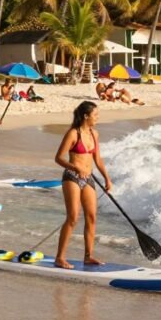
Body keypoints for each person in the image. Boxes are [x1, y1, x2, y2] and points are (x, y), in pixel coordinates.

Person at [54, 101, 112, 269]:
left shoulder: (95, 134)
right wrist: (75, 167)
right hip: (72, 176)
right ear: (86, 116)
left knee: (92, 217)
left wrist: (107, 178)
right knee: (73, 217)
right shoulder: (73, 133)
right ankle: (60, 257)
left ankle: (88, 256)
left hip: (88, 178)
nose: (97, 118)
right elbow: (58, 158)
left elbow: (98, 159)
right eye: (95, 115)